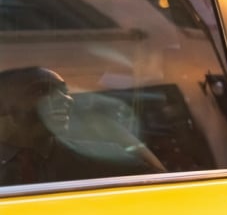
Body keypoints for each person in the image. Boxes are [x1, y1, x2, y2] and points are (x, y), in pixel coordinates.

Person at [0, 66, 164, 185]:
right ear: (4, 106)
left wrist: (113, 130)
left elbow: (163, 188)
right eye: (42, 91)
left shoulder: (102, 157)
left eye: (65, 91)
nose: (65, 99)